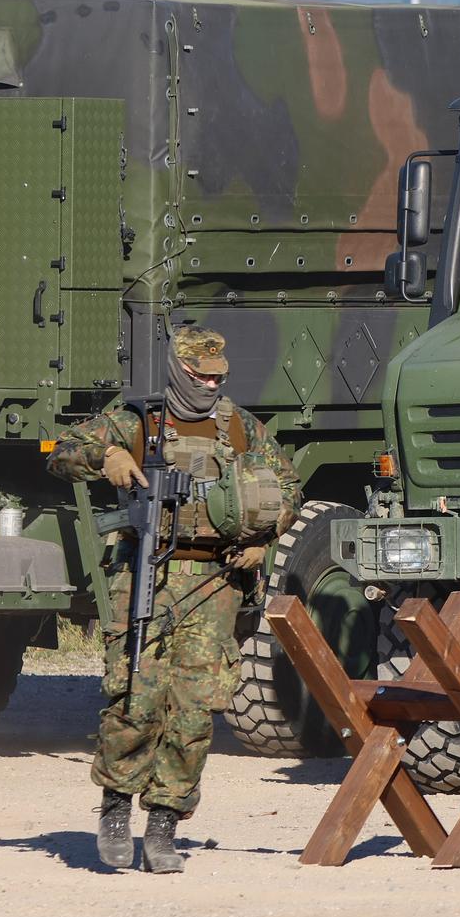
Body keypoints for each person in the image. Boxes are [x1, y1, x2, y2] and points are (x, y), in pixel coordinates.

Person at [47, 325, 298, 873]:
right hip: (145, 574)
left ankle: (164, 824)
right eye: (199, 376)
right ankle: (116, 808)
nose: (210, 384)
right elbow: (61, 452)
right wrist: (107, 456)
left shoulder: (239, 427)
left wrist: (264, 536)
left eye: (217, 377)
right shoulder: (137, 418)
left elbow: (287, 488)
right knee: (134, 696)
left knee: (194, 709)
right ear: (178, 370)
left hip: (215, 582)